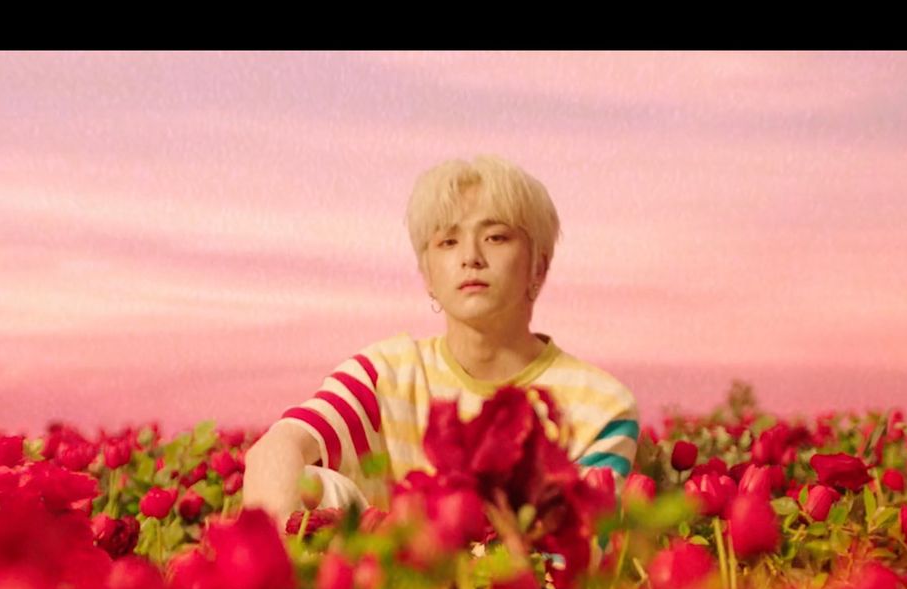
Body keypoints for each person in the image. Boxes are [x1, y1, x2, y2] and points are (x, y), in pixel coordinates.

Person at [242, 154, 642, 521]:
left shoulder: (601, 407)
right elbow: (276, 451)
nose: (471, 256)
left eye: (496, 237)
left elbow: (573, 560)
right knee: (314, 485)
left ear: (538, 267)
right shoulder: (383, 375)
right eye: (448, 241)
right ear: (428, 275)